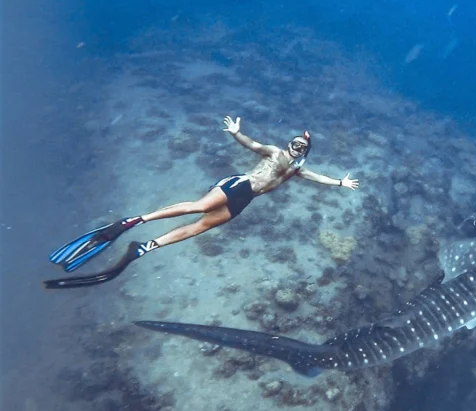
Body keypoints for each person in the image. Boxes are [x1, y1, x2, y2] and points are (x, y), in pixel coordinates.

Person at [44, 115, 359, 289]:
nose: (295, 146)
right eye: (294, 142)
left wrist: (340, 183)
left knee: (200, 227)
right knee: (200, 206)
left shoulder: (295, 171)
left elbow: (317, 177)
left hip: (245, 200)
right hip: (239, 184)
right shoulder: (275, 152)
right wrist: (236, 132)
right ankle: (135, 220)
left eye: (300, 146)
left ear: (304, 152)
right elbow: (253, 145)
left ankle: (144, 247)